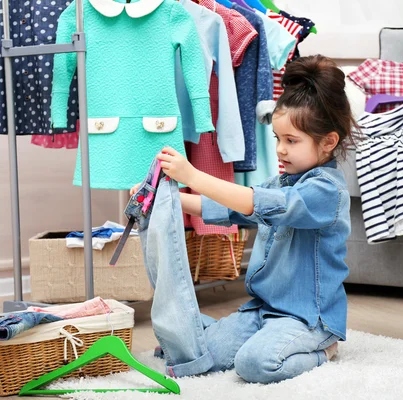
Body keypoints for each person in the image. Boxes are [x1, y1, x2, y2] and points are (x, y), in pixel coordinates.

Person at [131, 55, 356, 384]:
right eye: (278, 139)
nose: (280, 150)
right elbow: (231, 209)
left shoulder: (326, 192)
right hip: (262, 310)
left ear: (328, 142)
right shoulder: (281, 183)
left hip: (307, 319)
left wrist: (192, 174)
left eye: (292, 141)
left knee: (255, 364)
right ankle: (237, 334)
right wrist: (165, 198)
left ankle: (324, 349)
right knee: (199, 354)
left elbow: (254, 203)